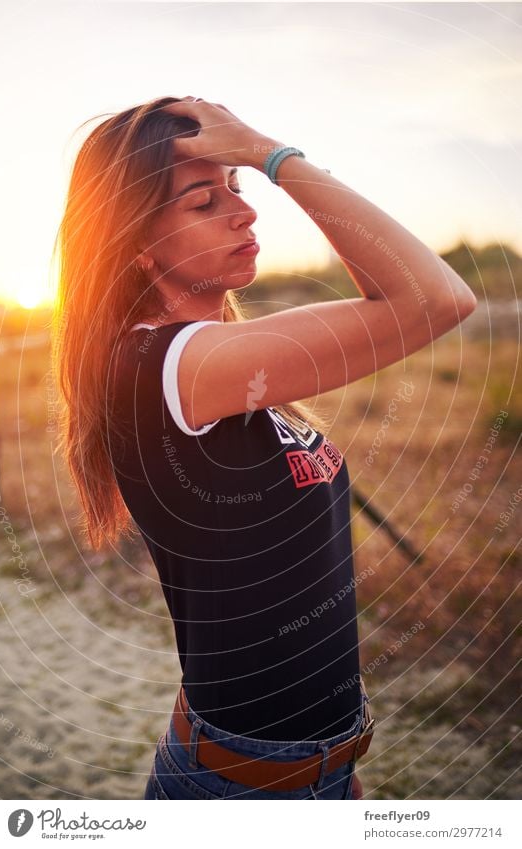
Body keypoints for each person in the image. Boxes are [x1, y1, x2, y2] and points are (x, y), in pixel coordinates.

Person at [52, 95, 477, 800]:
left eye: (239, 190)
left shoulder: (203, 363)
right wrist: (268, 153)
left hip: (299, 772)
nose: (245, 211)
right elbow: (436, 298)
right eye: (201, 201)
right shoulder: (173, 363)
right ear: (135, 241)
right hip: (249, 789)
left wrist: (334, 767)